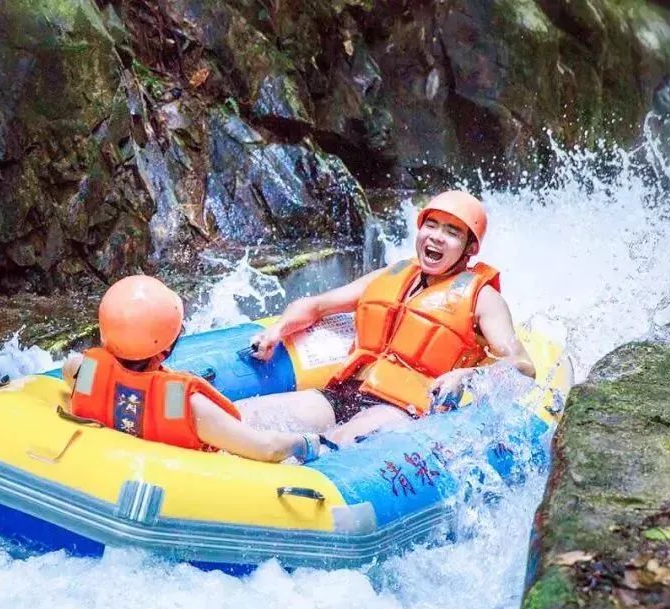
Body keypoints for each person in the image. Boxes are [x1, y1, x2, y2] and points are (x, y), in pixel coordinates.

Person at [239, 189, 536, 445]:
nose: (437, 237)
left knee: (334, 446)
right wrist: (276, 330)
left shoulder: (483, 298)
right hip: (344, 393)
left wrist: (466, 377)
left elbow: (522, 367)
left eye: (452, 232)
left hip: (403, 409)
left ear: (470, 248)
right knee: (241, 417)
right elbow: (316, 306)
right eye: (431, 226)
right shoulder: (391, 276)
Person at [61, 275, 332, 463]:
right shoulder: (189, 406)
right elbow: (267, 449)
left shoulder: (80, 370)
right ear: (165, 349)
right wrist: (306, 443)